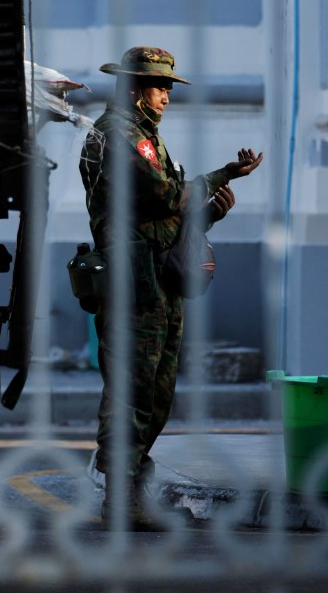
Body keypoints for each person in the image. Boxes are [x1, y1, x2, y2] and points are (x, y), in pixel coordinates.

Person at [79, 46, 263, 530]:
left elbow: (163, 216)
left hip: (157, 281)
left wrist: (210, 208)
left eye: (167, 88)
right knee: (131, 392)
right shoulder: (119, 134)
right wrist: (219, 177)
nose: (166, 96)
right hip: (133, 285)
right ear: (134, 90)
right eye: (159, 87)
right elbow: (167, 195)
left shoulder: (142, 135)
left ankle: (135, 493)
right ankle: (121, 500)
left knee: (156, 393)